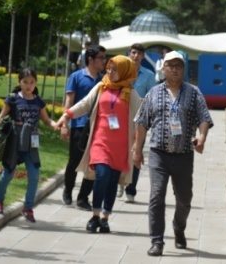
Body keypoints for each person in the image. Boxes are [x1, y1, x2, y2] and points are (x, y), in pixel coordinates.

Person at [132, 51, 214, 256]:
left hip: (184, 154)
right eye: (171, 65)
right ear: (163, 68)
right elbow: (142, 123)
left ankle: (179, 227)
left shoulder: (194, 93)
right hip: (159, 154)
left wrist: (202, 137)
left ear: (183, 69)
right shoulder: (153, 93)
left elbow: (204, 117)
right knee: (156, 196)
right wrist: (137, 150)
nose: (175, 69)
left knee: (184, 199)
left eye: (178, 65)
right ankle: (157, 241)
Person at [56, 55, 142, 233]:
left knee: (112, 181)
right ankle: (95, 215)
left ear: (125, 71)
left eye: (114, 69)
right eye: (109, 68)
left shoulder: (131, 93)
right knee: (101, 175)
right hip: (99, 141)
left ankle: (105, 218)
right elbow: (84, 104)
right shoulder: (101, 86)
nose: (109, 71)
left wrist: (137, 144)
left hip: (120, 146)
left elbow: (140, 118)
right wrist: (67, 115)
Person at [0, 68, 58, 223]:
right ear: (19, 82)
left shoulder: (38, 101)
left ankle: (27, 208)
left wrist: (55, 124)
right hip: (14, 140)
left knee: (34, 175)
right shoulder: (12, 99)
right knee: (8, 173)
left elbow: (46, 120)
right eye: (25, 82)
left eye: (32, 82)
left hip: (31, 142)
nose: (28, 85)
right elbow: (1, 117)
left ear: (35, 83)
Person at [60, 44, 106, 211]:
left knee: (94, 163)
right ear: (91, 59)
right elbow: (69, 103)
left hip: (98, 128)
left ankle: (83, 197)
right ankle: (68, 189)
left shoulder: (104, 80)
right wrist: (64, 123)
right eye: (101, 58)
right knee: (74, 160)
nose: (104, 61)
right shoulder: (76, 77)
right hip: (79, 126)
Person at [117, 43, 156, 203]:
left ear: (142, 56)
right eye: (133, 52)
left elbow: (151, 97)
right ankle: (120, 181)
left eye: (139, 53)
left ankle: (131, 189)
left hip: (139, 122)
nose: (135, 56)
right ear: (129, 53)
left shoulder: (148, 75)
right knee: (119, 153)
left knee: (136, 153)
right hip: (119, 119)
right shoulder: (120, 72)